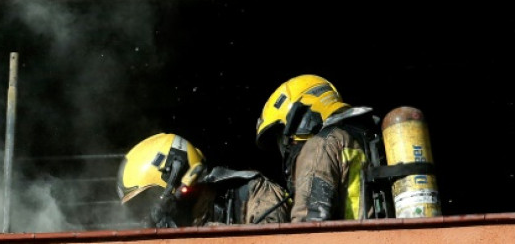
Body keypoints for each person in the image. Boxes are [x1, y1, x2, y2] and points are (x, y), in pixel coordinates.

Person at [255, 74, 379, 222]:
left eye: (282, 137)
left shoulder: (319, 146)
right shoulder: (369, 140)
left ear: (300, 119)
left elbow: (309, 226)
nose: (285, 148)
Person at [116, 132, 290, 227]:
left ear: (175, 177)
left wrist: (205, 237)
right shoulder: (180, 225)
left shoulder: (253, 190)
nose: (148, 215)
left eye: (148, 201)